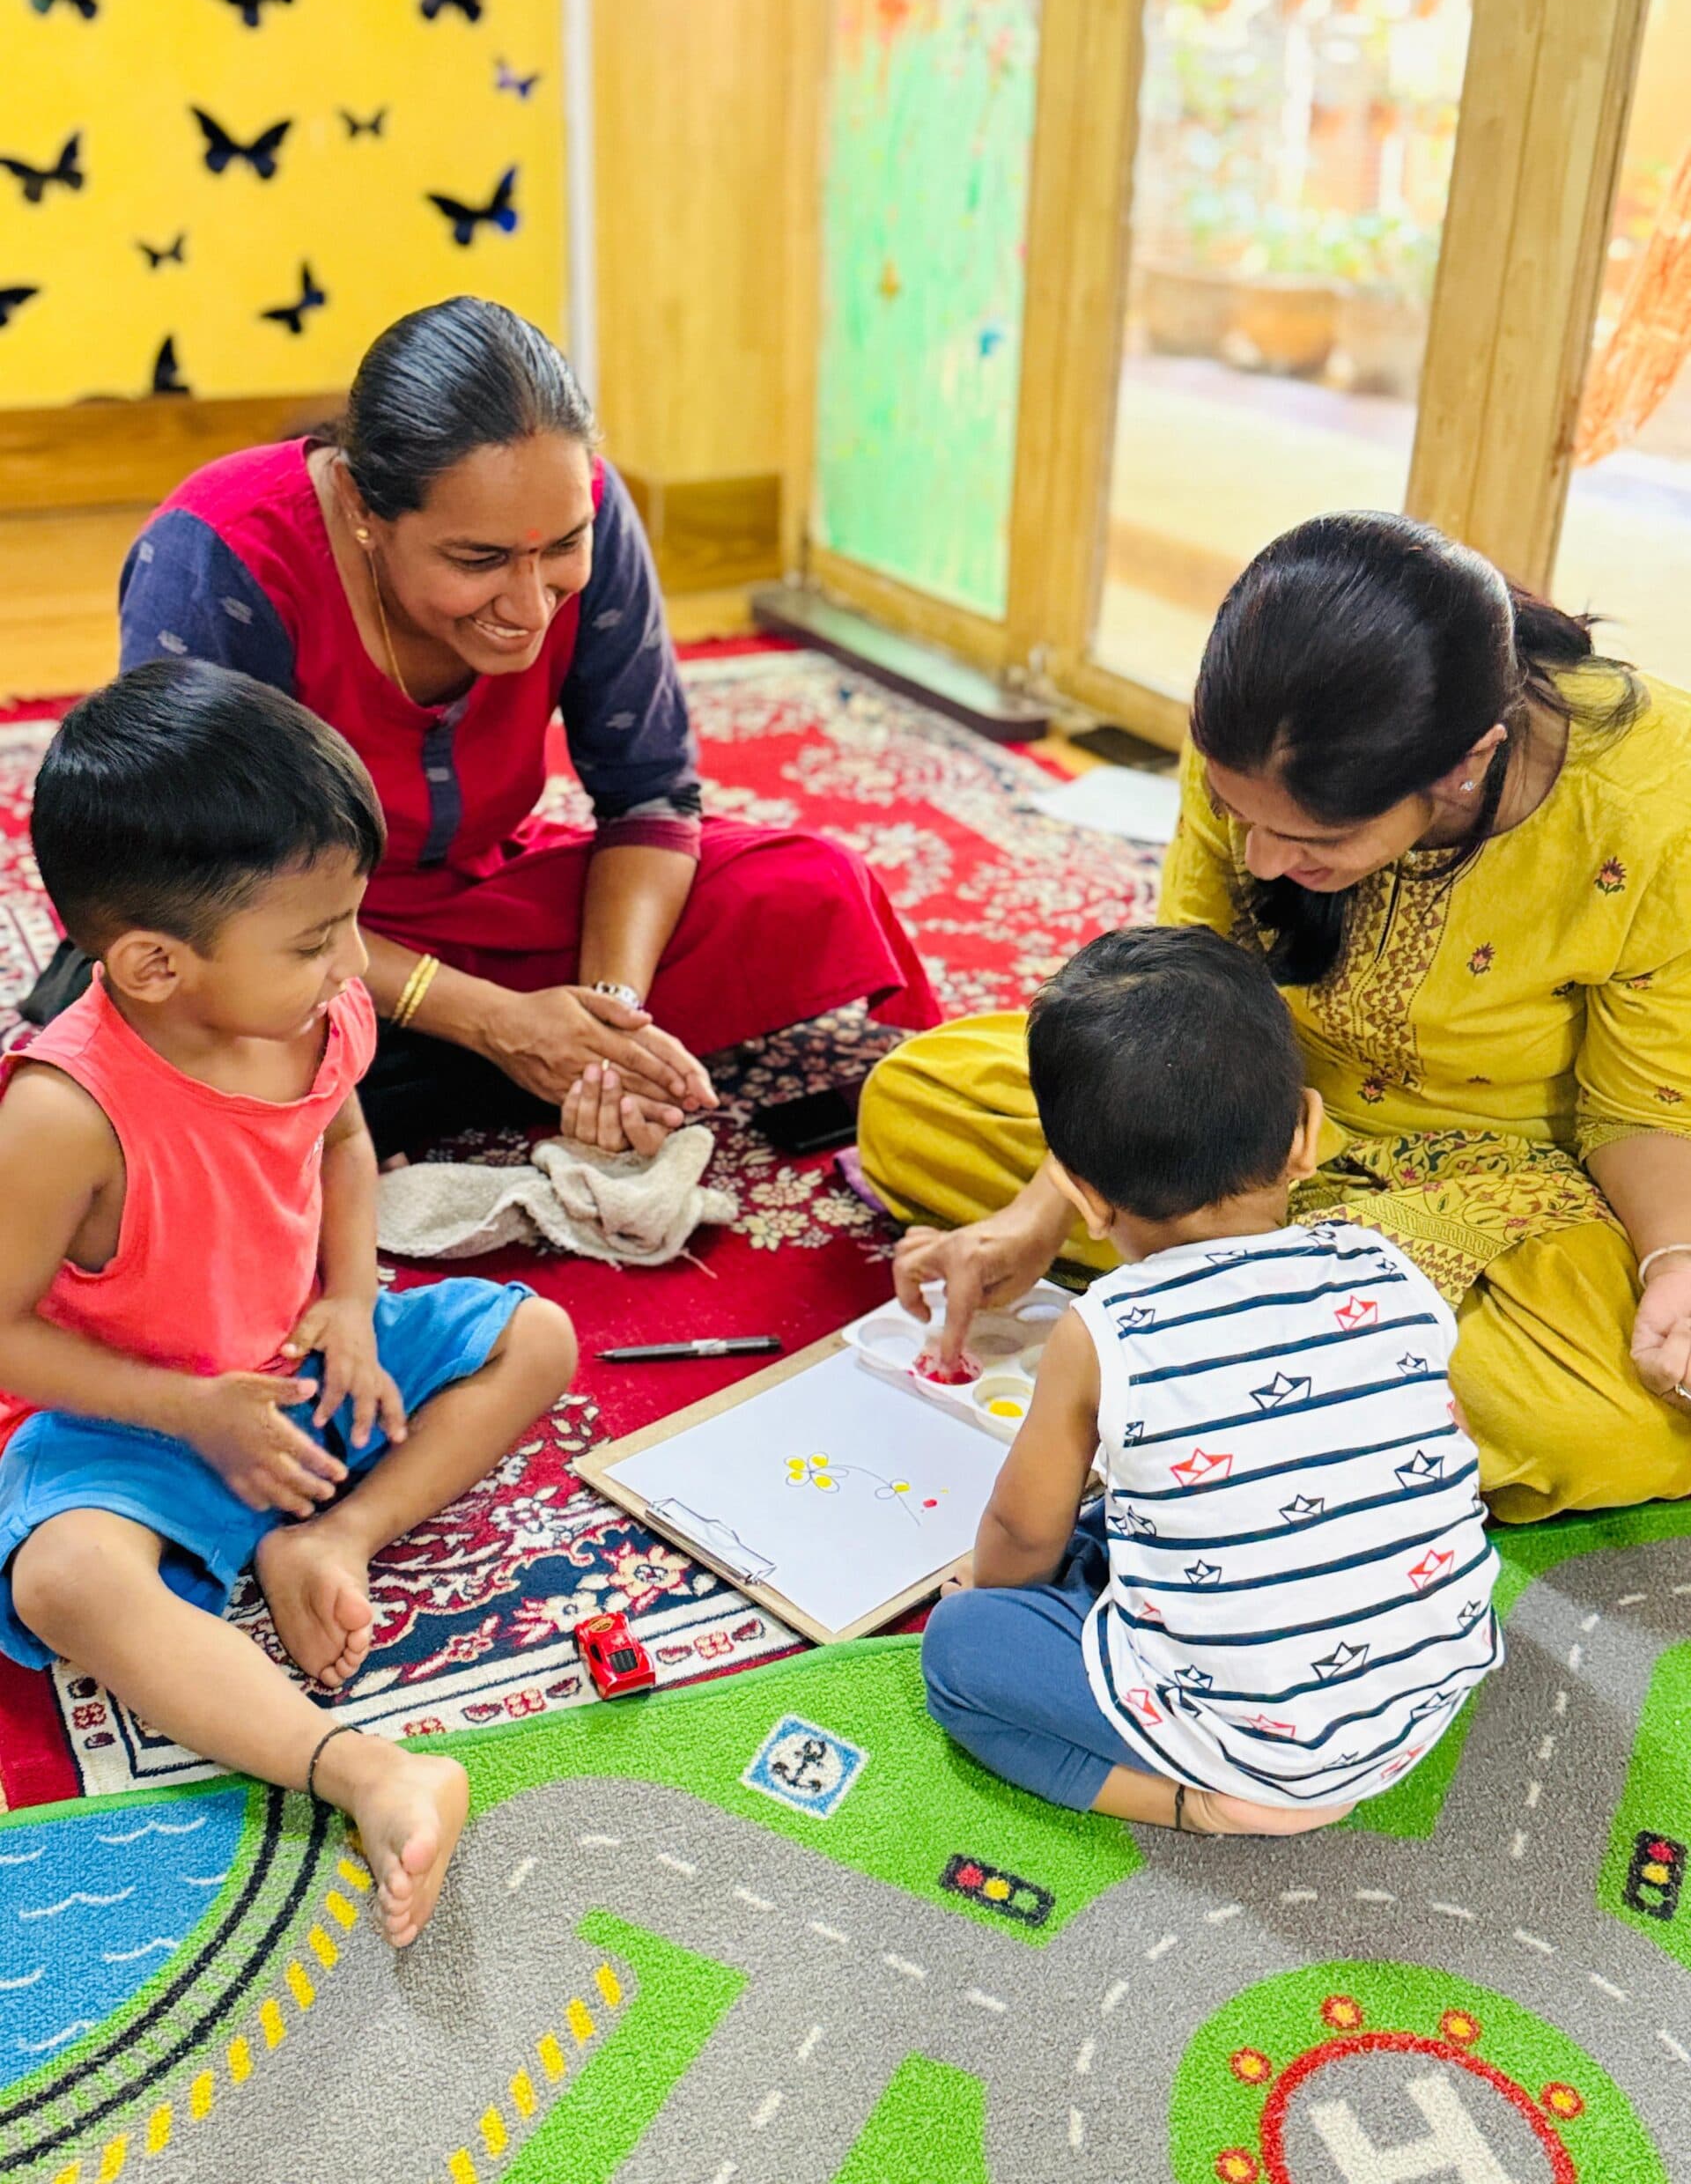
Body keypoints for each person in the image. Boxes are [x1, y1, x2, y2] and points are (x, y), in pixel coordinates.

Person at [864, 512, 1691, 1523]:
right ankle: (1285, 1345)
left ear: (1465, 764)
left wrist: (1672, 1266)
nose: (1255, 859)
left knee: (1610, 1419)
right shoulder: (1250, 719)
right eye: (1237, 812)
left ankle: (1191, 1285)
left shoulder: (1655, 799)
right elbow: (1178, 1007)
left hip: (1512, 1179)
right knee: (917, 1098)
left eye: (1310, 837)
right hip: (1242, 1111)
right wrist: (1036, 1218)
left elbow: (1643, 1103)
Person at [25, 295, 938, 1161]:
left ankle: (472, 1080)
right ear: (361, 507)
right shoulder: (218, 557)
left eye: (562, 549)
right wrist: (496, 1020)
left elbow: (651, 795)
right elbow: (200, 885)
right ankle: (452, 1074)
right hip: (286, 940)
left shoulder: (590, 506)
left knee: (809, 890)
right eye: (479, 559)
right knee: (188, 1031)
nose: (530, 603)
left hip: (485, 896)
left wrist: (606, 1015)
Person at [0, 664, 579, 1947]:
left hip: (297, 1373)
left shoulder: (321, 1013)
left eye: (351, 927)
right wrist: (190, 1410)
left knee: (537, 1337)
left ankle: (328, 1539)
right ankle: (358, 1770)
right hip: (133, 1420)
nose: (348, 966)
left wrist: (358, 1305)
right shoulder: (61, 1113)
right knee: (65, 1580)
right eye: (316, 940)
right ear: (153, 961)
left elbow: (343, 1143)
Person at [922, 926, 1503, 1831]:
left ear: (1080, 1192)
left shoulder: (1101, 1329)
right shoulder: (1391, 1264)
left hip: (1258, 1746)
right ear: (1306, 1133)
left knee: (962, 1652)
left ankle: (1207, 1806)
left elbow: (1018, 1530)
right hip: (1429, 1687)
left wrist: (988, 1589)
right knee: (1134, 1516)